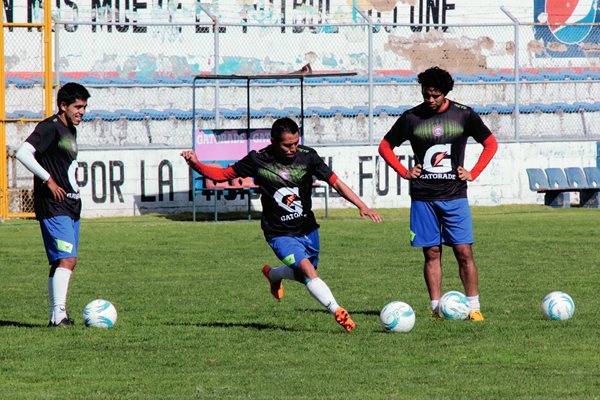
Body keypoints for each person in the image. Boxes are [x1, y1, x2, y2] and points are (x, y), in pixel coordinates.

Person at [181, 117, 381, 332]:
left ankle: (274, 275)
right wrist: (196, 164)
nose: (292, 148)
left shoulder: (308, 157)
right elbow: (222, 175)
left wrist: (362, 206)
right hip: (278, 233)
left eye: (295, 143)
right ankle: (338, 311)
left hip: (308, 229)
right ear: (274, 141)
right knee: (307, 270)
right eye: (287, 145)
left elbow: (336, 182)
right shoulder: (258, 160)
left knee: (305, 273)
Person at [378, 66, 498, 321]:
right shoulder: (412, 118)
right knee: (431, 252)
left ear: (446, 93)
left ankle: (474, 307)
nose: (430, 100)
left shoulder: (464, 115)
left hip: (455, 196)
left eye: (435, 96)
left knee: (464, 251)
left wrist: (473, 172)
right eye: (426, 95)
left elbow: (490, 143)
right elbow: (385, 146)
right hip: (423, 197)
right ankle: (436, 309)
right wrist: (404, 171)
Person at [15, 82, 91, 327]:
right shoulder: (50, 127)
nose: (82, 112)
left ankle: (54, 316)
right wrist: (48, 180)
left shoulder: (70, 130)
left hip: (70, 205)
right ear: (63, 106)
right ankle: (59, 316)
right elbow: (23, 152)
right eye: (78, 107)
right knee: (67, 259)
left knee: (61, 261)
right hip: (54, 205)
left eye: (84, 107)